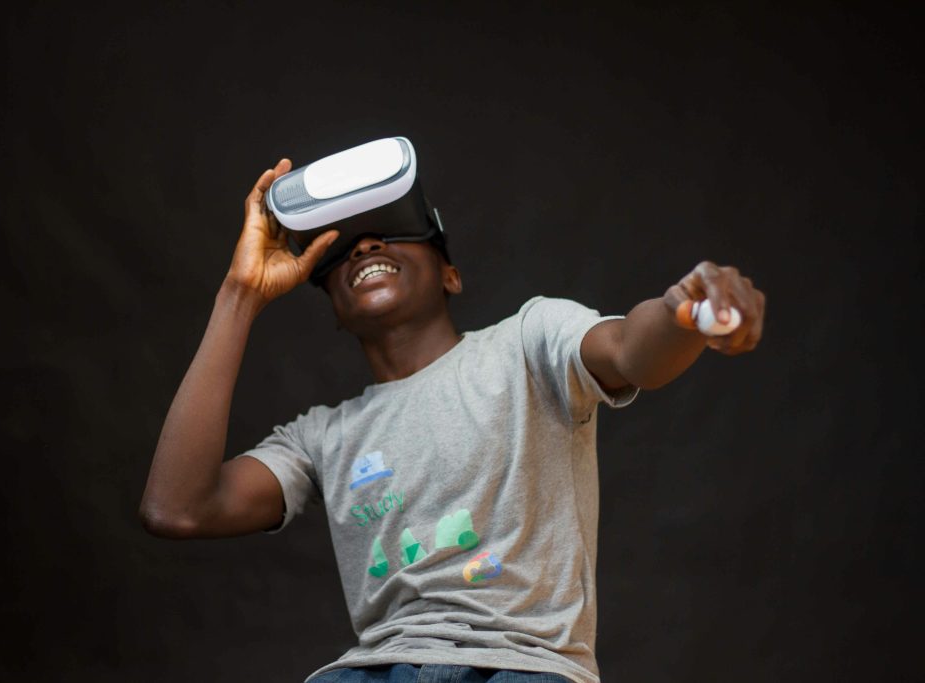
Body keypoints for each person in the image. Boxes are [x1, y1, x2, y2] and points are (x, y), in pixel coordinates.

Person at [139, 157, 766, 683]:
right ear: (330, 303)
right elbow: (178, 509)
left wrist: (683, 312)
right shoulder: (320, 437)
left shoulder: (527, 343)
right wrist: (240, 293)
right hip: (371, 673)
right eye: (342, 249)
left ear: (451, 274)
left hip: (523, 667)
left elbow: (633, 351)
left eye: (391, 231)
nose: (365, 244)